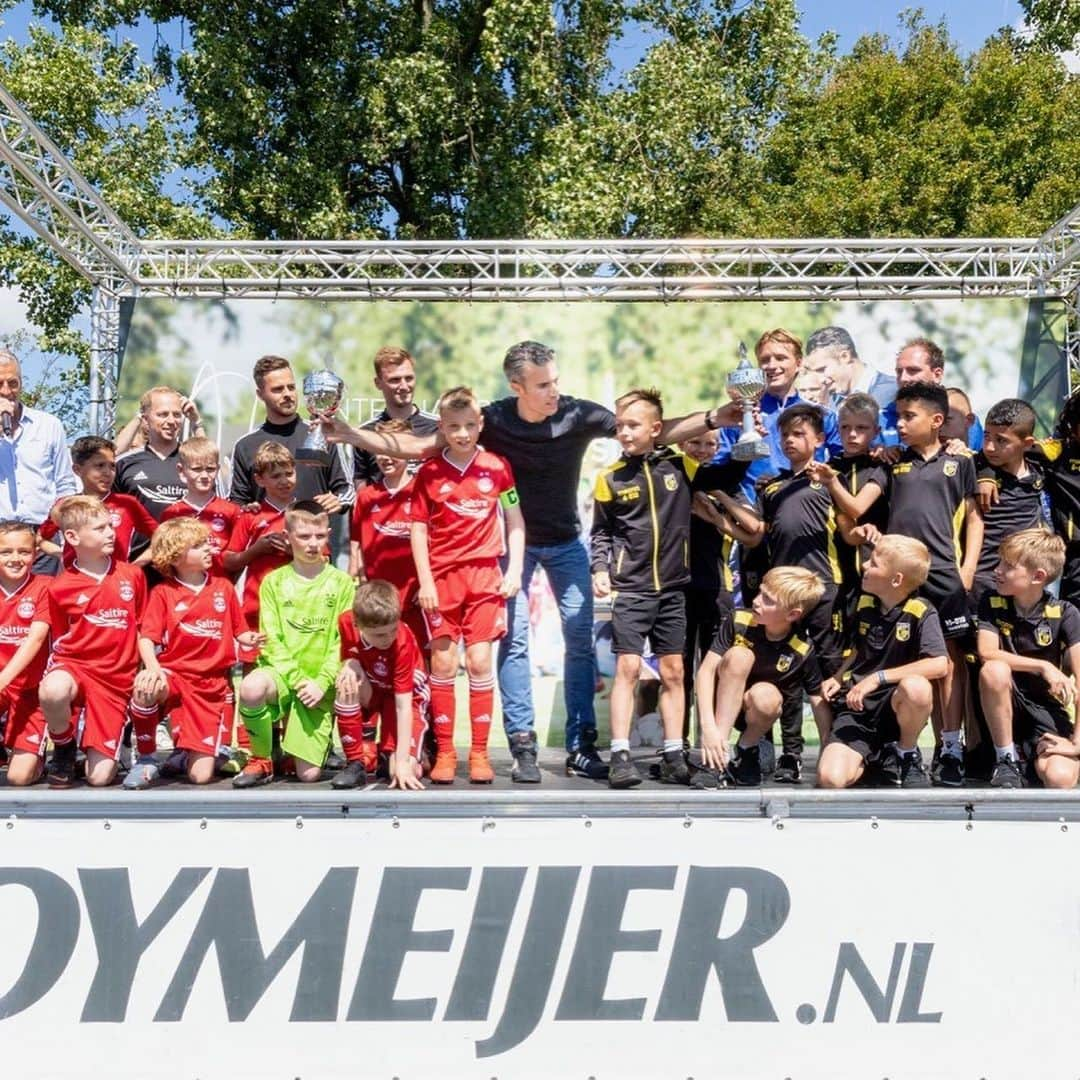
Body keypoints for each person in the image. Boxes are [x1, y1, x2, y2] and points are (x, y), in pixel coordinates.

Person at [321, 340, 745, 783]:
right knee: (514, 644)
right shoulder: (494, 420)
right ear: (517, 386)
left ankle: (582, 746)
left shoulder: (579, 413)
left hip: (566, 543)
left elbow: (655, 430)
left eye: (556, 380)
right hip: (513, 551)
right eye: (544, 384)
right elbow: (419, 446)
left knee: (580, 641)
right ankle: (522, 743)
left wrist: (713, 417)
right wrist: (351, 435)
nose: (555, 391)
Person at [811, 382, 982, 786]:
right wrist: (834, 480)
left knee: (950, 661)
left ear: (937, 421)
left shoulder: (962, 462)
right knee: (891, 651)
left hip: (944, 575)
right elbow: (855, 508)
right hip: (899, 575)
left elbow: (975, 518)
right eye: (898, 417)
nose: (900, 425)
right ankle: (893, 746)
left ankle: (950, 747)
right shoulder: (890, 461)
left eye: (909, 417)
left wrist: (968, 569)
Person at [590, 387, 749, 789]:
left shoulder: (680, 466)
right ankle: (621, 753)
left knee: (674, 671)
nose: (623, 432)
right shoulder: (609, 478)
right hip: (634, 588)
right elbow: (602, 532)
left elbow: (725, 475)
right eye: (620, 425)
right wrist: (600, 568)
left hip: (675, 589)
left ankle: (674, 751)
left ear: (656, 430)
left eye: (632, 425)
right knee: (627, 668)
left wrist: (749, 438)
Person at [736, 403, 875, 782]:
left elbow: (850, 524)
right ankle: (790, 755)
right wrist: (719, 505)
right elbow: (755, 534)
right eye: (785, 435)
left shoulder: (833, 480)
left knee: (829, 673)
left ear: (818, 439)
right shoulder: (773, 485)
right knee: (786, 675)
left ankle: (835, 749)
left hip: (827, 590)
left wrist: (862, 534)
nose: (790, 441)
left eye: (799, 434)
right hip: (783, 596)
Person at [410, 386, 524, 785]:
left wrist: (515, 570)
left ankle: (479, 753)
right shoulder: (428, 473)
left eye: (469, 426)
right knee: (442, 663)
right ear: (441, 426)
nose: (462, 434)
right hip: (441, 581)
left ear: (481, 425)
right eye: (454, 427)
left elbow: (515, 521)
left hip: (485, 578)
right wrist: (425, 581)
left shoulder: (498, 467)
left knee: (478, 662)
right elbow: (419, 531)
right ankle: (445, 752)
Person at [127, 518, 261, 788]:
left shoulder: (223, 587)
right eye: (199, 546)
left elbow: (241, 632)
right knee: (144, 686)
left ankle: (185, 752)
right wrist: (153, 669)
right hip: (174, 676)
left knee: (200, 777)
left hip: (211, 685)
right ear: (175, 556)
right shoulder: (163, 593)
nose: (209, 549)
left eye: (207, 543)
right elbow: (146, 640)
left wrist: (253, 638)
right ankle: (146, 758)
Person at [233, 501, 356, 788]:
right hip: (286, 678)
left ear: (328, 534)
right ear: (288, 538)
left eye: (319, 536)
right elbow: (271, 640)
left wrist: (321, 682)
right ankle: (261, 759)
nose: (312, 544)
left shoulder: (342, 583)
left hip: (319, 685)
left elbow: (342, 642)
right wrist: (299, 680)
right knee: (251, 686)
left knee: (308, 775)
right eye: (303, 536)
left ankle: (309, 746)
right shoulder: (273, 582)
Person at [817, 535, 948, 789]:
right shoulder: (864, 603)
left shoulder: (921, 610)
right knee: (830, 779)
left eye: (874, 563)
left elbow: (939, 663)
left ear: (896, 580)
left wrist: (878, 678)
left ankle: (905, 753)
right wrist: (838, 676)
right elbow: (859, 649)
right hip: (858, 710)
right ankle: (873, 762)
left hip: (895, 707)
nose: (865, 565)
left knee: (917, 687)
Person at [39, 496, 147, 787]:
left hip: (114, 679)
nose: (111, 533)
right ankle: (63, 747)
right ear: (72, 537)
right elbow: (61, 638)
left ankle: (108, 740)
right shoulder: (60, 586)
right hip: (75, 666)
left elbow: (142, 628)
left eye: (110, 526)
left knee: (98, 778)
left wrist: (147, 668)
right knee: (52, 690)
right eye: (100, 529)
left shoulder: (132, 575)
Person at [692, 567, 829, 789]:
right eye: (760, 593)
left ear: (792, 614)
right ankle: (717, 758)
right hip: (721, 711)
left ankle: (746, 750)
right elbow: (706, 672)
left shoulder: (801, 648)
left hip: (756, 712)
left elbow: (817, 700)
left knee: (767, 696)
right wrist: (708, 728)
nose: (756, 601)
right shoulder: (739, 620)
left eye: (768, 600)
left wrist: (826, 748)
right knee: (740, 656)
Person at [977, 528, 1080, 789]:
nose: (997, 570)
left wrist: (1077, 743)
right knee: (994, 670)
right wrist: (1044, 666)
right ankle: (1006, 760)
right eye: (999, 561)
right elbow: (987, 652)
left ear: (1038, 576)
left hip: (1044, 712)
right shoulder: (991, 601)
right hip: (1002, 707)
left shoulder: (1065, 613)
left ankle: (1033, 761)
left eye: (1008, 566)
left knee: (1060, 778)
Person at [712, 328, 842, 500]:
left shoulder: (823, 416)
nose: (772, 366)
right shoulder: (740, 415)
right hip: (752, 514)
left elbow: (842, 464)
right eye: (765, 360)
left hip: (807, 511)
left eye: (781, 358)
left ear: (799, 363)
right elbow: (720, 467)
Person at [677, 430, 745, 746]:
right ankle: (676, 748)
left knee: (716, 673)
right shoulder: (672, 484)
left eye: (711, 444)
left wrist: (716, 512)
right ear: (680, 444)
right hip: (676, 592)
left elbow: (754, 530)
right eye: (695, 443)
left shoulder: (725, 485)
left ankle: (714, 746)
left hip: (717, 591)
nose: (703, 450)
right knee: (677, 674)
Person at [332, 578, 428, 790]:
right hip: (375, 688)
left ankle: (414, 753)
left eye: (392, 630)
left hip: (406, 698)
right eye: (379, 634)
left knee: (400, 773)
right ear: (358, 625)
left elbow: (403, 706)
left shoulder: (402, 643)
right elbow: (349, 651)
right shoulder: (346, 622)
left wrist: (403, 763)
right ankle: (355, 762)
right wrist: (350, 662)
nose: (388, 639)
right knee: (345, 681)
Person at [229, 354, 350, 511]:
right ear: (260, 395)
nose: (287, 394)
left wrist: (338, 500)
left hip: (313, 532)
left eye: (291, 387)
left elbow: (347, 490)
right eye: (278, 389)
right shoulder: (244, 446)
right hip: (268, 534)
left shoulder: (323, 435)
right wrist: (247, 510)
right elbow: (236, 502)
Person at [348, 418, 426, 646]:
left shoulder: (423, 491)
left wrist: (427, 583)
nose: (385, 456)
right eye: (379, 449)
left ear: (408, 451)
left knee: (420, 657)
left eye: (391, 449)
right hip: (379, 599)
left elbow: (437, 542)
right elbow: (356, 546)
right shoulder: (366, 496)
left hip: (415, 595)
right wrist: (360, 585)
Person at [0, 348, 78, 570]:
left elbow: (65, 485)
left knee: (42, 602)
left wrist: (53, 532)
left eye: (13, 383)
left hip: (41, 538)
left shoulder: (48, 425)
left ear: (22, 383)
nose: (6, 391)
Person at [38, 436, 159, 568]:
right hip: (76, 582)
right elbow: (40, 539)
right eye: (100, 466)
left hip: (116, 583)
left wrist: (135, 566)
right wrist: (63, 555)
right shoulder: (66, 505)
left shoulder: (127, 504)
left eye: (112, 466)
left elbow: (162, 537)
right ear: (77, 470)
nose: (108, 472)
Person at [971, 399, 1047, 603]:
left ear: (1027, 443)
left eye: (1001, 440)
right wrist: (984, 474)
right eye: (986, 436)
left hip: (1024, 583)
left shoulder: (1041, 469)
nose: (989, 447)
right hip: (983, 579)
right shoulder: (975, 470)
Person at [0, 520, 53, 785]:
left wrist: (2, 680)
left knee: (19, 778)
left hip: (32, 692)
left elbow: (35, 639)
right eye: (6, 552)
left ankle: (38, 754)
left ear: (35, 554)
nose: (15, 558)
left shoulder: (44, 586)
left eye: (23, 551)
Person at [223, 442, 297, 630]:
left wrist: (293, 551)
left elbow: (324, 560)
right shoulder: (250, 515)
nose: (284, 481)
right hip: (256, 608)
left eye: (289, 474)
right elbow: (229, 561)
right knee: (255, 659)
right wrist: (256, 550)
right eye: (276, 476)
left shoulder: (307, 513)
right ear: (259, 480)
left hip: (298, 607)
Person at [113, 387, 199, 533]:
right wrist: (137, 418)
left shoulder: (194, 462)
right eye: (163, 414)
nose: (171, 421)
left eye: (177, 415)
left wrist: (197, 422)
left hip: (186, 553)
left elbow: (207, 454)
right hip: (139, 554)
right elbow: (112, 453)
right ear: (146, 419)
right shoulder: (125, 463)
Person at [353, 346, 438, 488]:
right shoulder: (365, 434)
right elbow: (361, 492)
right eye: (395, 380)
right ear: (378, 383)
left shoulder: (437, 427)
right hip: (384, 510)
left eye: (409, 378)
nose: (404, 386)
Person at [878, 339, 984, 450]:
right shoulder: (881, 419)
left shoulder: (962, 418)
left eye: (913, 370)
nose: (903, 378)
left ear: (937, 375)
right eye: (899, 372)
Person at [160, 436, 243, 575]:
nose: (204, 475)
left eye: (210, 469)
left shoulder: (232, 511)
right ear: (181, 471)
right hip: (182, 589)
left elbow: (238, 557)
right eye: (197, 469)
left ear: (217, 469)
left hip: (222, 588)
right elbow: (166, 559)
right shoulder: (172, 513)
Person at [804, 326, 896, 408]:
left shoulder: (895, 393)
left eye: (822, 370)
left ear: (845, 357)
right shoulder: (830, 405)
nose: (820, 380)